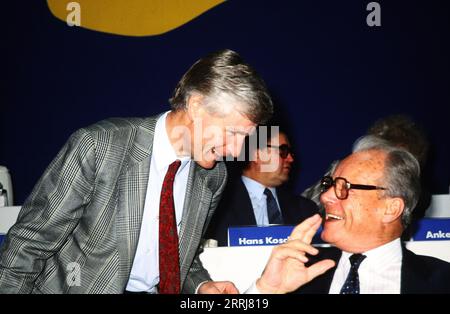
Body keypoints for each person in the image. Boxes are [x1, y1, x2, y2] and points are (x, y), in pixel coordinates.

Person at [0, 49, 274, 294]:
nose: (238, 151)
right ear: (196, 106)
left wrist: (201, 284)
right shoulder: (100, 146)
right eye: (233, 133)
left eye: (245, 139)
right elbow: (28, 245)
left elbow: (178, 259)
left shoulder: (213, 176)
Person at [288, 136, 450, 294]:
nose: (325, 197)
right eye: (329, 185)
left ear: (391, 209)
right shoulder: (297, 271)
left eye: (345, 187)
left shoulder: (441, 282)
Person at [301, 114, 430, 222]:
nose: (328, 196)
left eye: (402, 161)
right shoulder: (341, 171)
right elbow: (305, 209)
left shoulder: (419, 196)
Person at [205, 126, 318, 246]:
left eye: (290, 152)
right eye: (283, 151)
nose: (290, 158)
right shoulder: (217, 204)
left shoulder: (305, 210)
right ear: (257, 154)